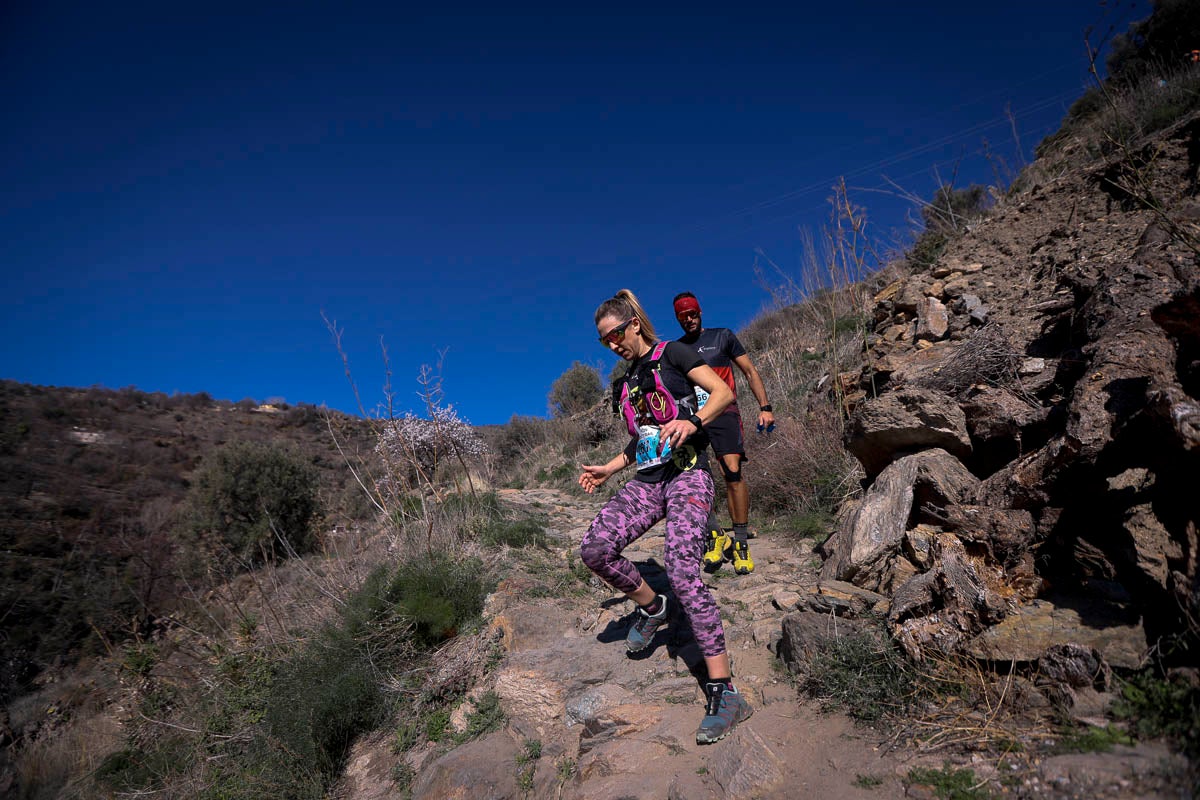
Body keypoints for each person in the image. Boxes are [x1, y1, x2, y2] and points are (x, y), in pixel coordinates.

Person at [579, 289, 753, 744]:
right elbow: (642, 439)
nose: (612, 343)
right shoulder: (626, 383)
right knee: (595, 549)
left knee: (680, 571)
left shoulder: (672, 353)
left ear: (634, 324)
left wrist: (693, 423)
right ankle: (654, 607)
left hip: (688, 475)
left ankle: (725, 691)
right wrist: (609, 468)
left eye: (616, 333)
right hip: (648, 481)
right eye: (604, 340)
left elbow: (722, 392)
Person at [672, 291, 775, 575]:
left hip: (724, 412)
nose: (688, 320)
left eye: (692, 314)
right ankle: (715, 534)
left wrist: (765, 407)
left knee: (732, 472)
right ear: (678, 319)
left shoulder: (722, 337)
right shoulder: (677, 349)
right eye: (682, 316)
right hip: (692, 418)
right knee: (692, 478)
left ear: (700, 312)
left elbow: (749, 371)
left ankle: (740, 542)